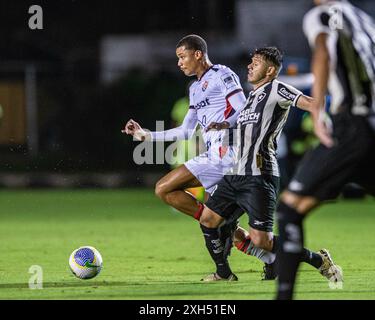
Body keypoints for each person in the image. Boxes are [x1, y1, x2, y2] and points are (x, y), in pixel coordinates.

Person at [122, 35, 277, 277]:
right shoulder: (195, 89)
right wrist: (146, 135)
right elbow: (185, 131)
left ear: (197, 54)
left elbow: (243, 108)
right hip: (215, 156)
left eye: (182, 57)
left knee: (163, 188)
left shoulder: (222, 74)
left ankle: (224, 263)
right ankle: (271, 259)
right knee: (230, 230)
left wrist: (225, 123)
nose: (179, 63)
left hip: (227, 154)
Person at [198, 46, 339, 283]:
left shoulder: (276, 87)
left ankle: (319, 260)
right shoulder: (252, 97)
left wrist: (331, 107)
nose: (250, 65)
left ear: (270, 69)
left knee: (261, 240)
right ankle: (223, 273)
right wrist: (225, 129)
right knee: (208, 219)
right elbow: (247, 133)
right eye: (251, 61)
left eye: (256, 62)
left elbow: (312, 103)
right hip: (235, 174)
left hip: (259, 175)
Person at [275, 0, 375, 300]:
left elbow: (323, 48)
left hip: (352, 127)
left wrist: (317, 108)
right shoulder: (365, 21)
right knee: (301, 205)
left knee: (289, 209)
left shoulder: (322, 15)